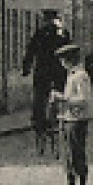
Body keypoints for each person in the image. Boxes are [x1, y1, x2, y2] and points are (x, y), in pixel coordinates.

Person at [52, 44, 93, 185]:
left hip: (77, 121)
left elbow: (83, 100)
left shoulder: (80, 76)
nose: (61, 63)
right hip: (68, 119)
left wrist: (62, 99)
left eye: (63, 59)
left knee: (77, 156)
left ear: (69, 60)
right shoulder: (72, 75)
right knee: (67, 157)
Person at [20, 17, 69, 156]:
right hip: (59, 74)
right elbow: (71, 53)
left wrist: (26, 68)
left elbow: (30, 51)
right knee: (60, 101)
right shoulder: (63, 35)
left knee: (39, 103)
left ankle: (39, 128)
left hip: (43, 74)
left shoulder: (40, 34)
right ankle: (59, 127)